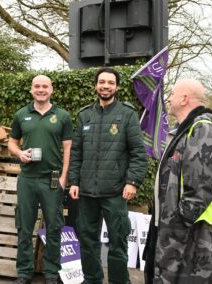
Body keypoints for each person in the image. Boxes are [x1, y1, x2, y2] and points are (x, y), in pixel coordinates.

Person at [143, 79, 212, 283]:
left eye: (173, 93)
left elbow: (202, 185)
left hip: (198, 231)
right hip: (187, 230)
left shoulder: (202, 128)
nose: (169, 97)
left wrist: (180, 221)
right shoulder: (185, 130)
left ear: (184, 99)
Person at [68, 67, 148, 284]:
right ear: (96, 85)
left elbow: (139, 154)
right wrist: (74, 181)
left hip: (114, 192)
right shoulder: (85, 115)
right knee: (87, 240)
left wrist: (133, 182)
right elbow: (76, 153)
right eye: (102, 82)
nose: (106, 86)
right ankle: (92, 279)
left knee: (118, 241)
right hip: (86, 193)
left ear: (117, 87)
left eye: (110, 83)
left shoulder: (127, 114)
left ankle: (119, 282)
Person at [8, 75, 73, 284]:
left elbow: (68, 148)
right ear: (31, 90)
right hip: (27, 178)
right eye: (37, 86)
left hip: (52, 179)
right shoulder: (21, 114)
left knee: (54, 227)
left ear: (51, 90)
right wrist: (19, 154)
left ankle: (51, 273)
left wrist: (64, 177)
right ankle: (24, 272)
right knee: (24, 227)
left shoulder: (62, 116)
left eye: (45, 86)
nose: (41, 89)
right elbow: (11, 143)